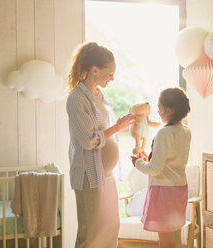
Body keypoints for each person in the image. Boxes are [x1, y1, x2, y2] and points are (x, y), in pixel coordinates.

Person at [66, 42, 133, 248]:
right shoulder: (76, 99)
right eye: (110, 73)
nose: (112, 78)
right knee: (92, 233)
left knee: (111, 227)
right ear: (95, 70)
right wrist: (116, 127)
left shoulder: (99, 95)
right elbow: (88, 141)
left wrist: (122, 128)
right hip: (89, 175)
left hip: (105, 174)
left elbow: (104, 132)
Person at [131, 87, 191, 248]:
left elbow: (154, 169)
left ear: (169, 110)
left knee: (165, 243)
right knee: (176, 241)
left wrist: (137, 163)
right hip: (179, 190)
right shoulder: (186, 131)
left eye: (159, 108)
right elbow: (170, 161)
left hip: (164, 192)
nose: (157, 112)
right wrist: (147, 159)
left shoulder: (164, 133)